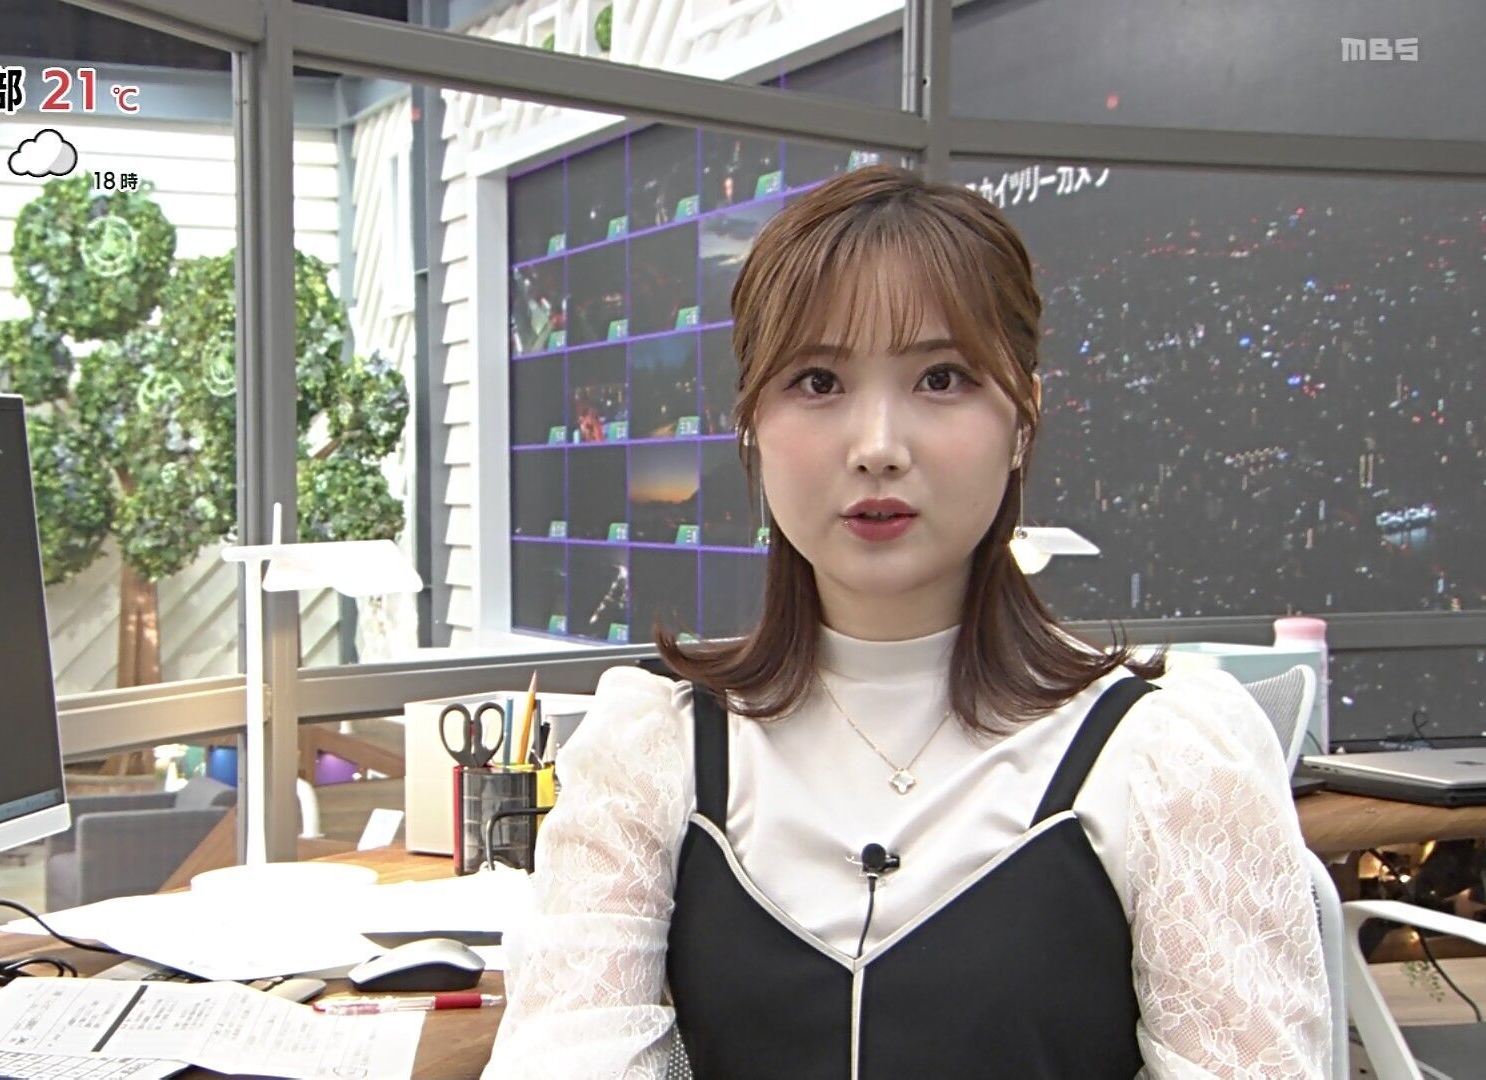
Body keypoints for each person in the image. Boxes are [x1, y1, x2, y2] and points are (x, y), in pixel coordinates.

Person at [484, 165, 1329, 1078]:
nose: (877, 447)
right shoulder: (653, 752)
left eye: (941, 377)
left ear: (1023, 420)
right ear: (752, 423)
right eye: (818, 380)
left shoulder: (1162, 757)